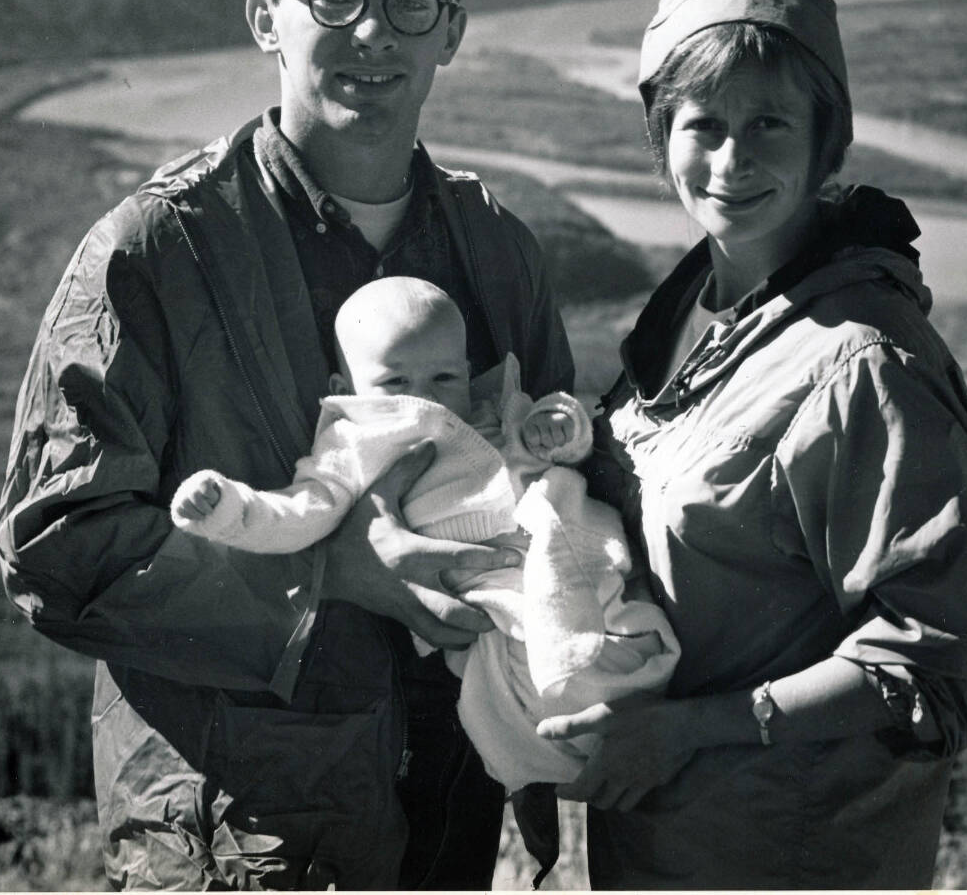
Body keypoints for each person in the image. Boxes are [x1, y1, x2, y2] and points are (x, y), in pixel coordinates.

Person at [0, 0, 572, 889]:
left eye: (410, 3)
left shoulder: (496, 250)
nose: (373, 32)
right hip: (234, 841)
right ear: (268, 19)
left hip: (448, 814)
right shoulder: (156, 251)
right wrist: (327, 574)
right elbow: (57, 545)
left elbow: (550, 496)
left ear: (453, 30)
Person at [538, 0, 967, 889]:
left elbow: (938, 660)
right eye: (703, 123)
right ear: (660, 135)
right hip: (663, 839)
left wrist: (685, 729)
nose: (731, 160)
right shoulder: (696, 306)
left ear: (825, 141)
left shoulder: (863, 361)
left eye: (769, 123)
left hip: (787, 853)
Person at [171, 276, 678, 794]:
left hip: (561, 553)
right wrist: (231, 509)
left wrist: (557, 424)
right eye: (395, 383)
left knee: (624, 638)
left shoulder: (484, 412)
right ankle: (574, 754)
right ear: (345, 389)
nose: (425, 399)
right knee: (525, 697)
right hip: (489, 603)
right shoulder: (352, 441)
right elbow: (303, 511)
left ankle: (628, 718)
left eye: (443, 377)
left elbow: (547, 444)